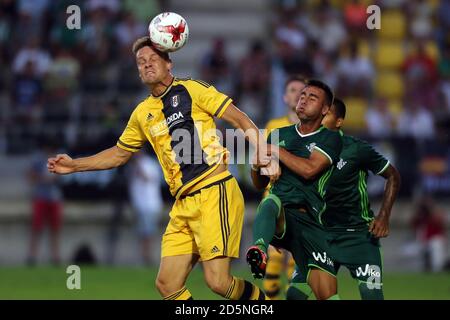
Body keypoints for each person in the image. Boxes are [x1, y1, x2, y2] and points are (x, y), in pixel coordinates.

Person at [47, 36, 274, 300]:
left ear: (169, 64)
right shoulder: (142, 113)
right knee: (167, 285)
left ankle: (265, 303)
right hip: (183, 204)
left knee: (218, 282)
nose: (146, 65)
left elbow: (239, 118)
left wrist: (263, 150)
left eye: (153, 59)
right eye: (141, 62)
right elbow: (120, 154)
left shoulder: (192, 89)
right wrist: (75, 165)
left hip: (214, 191)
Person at [288, 98, 401, 300]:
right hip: (320, 236)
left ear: (339, 122)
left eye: (327, 114)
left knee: (372, 297)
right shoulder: (303, 151)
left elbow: (393, 175)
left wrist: (384, 216)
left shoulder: (356, 149)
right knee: (294, 296)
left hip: (358, 237)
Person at [247, 80, 343, 300]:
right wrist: (256, 165)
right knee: (270, 200)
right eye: (302, 95)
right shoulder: (279, 134)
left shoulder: (330, 138)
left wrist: (274, 151)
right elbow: (260, 183)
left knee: (323, 295)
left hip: (311, 224)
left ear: (325, 109)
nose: (303, 100)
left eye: (312, 98)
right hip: (283, 218)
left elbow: (309, 170)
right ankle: (260, 250)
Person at [262, 75, 306, 299]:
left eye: (302, 90)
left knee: (296, 261)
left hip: (302, 199)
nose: (297, 93)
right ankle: (269, 298)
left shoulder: (314, 129)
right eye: (292, 89)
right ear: (284, 97)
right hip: (276, 195)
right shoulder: (273, 126)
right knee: (274, 255)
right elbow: (263, 161)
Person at [28, 142, 63, 265]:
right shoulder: (38, 160)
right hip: (41, 197)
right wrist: (43, 178)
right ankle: (32, 255)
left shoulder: (60, 160)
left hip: (54, 198)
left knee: (55, 229)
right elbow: (30, 176)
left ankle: (55, 256)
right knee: (37, 228)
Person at [128, 149, 163, 265]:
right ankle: (144, 257)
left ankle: (147, 258)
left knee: (148, 233)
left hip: (149, 204)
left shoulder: (149, 164)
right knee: (141, 232)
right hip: (139, 205)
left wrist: (138, 166)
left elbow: (148, 178)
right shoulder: (132, 166)